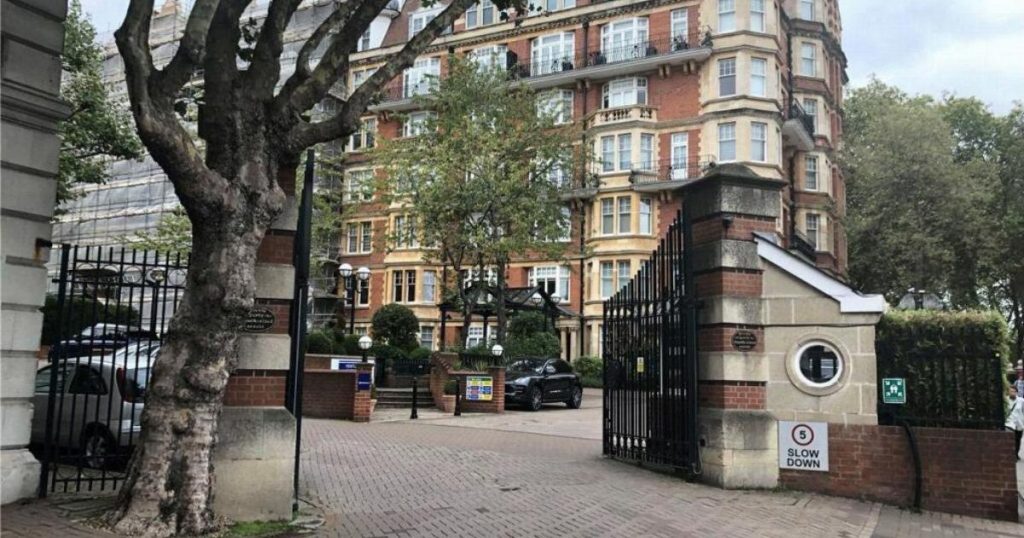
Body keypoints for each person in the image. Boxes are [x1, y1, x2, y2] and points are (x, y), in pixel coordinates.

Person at [1006, 386, 1024, 460]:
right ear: (1008, 392)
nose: (1012, 393)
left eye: (1014, 391)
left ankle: (1016, 454)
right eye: (1011, 391)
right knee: (1011, 440)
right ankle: (1012, 455)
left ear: (1016, 392)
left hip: (1019, 423)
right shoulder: (1006, 400)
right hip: (1009, 423)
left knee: (1018, 440)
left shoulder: (1021, 400)